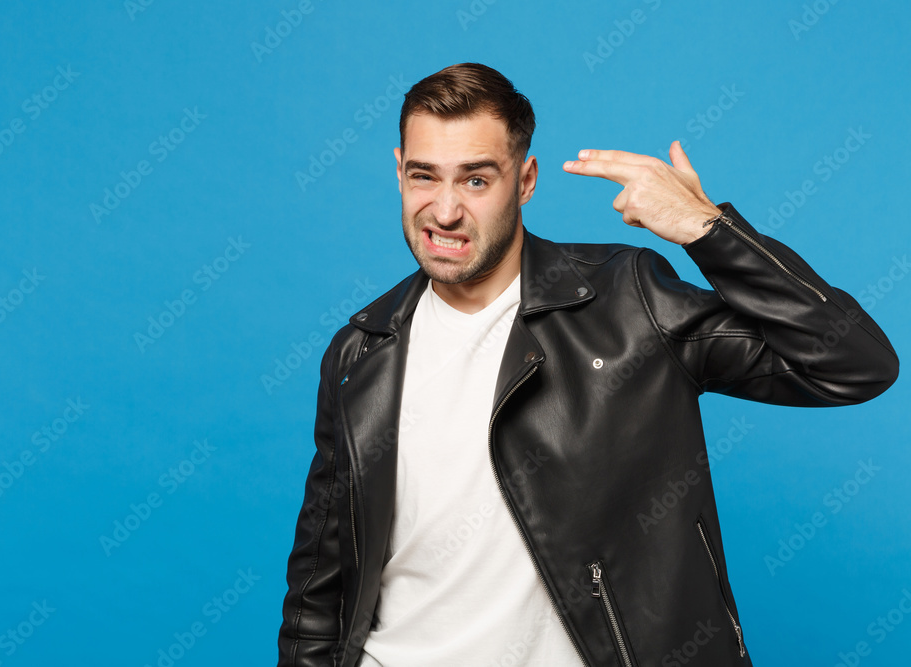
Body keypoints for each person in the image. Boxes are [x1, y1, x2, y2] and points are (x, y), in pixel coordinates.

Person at [277, 63, 899, 667]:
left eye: (476, 180)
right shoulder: (361, 351)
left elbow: (854, 363)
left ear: (525, 180)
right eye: (424, 176)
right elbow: (319, 584)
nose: (444, 211)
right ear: (398, 171)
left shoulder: (628, 302)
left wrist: (708, 231)